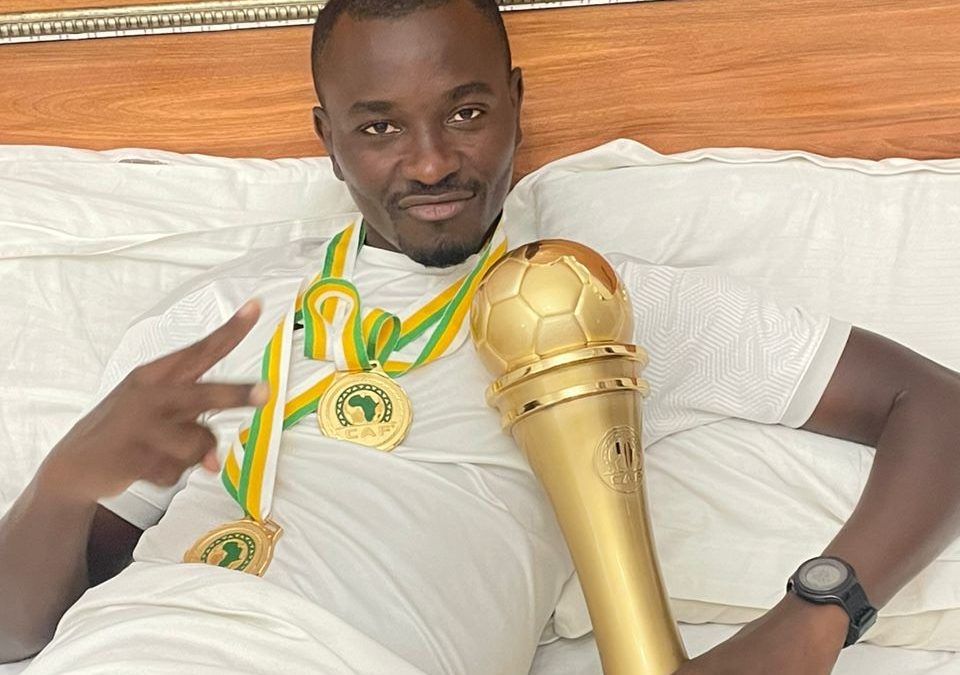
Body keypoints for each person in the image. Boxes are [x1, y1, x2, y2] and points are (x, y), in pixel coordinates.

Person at [2, 0, 959, 673]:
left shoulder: (600, 297)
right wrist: (62, 483)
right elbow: (15, 631)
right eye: (379, 127)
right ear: (327, 138)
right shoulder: (222, 315)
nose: (430, 163)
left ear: (515, 102)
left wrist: (816, 616)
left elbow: (934, 407)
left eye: (465, 113)